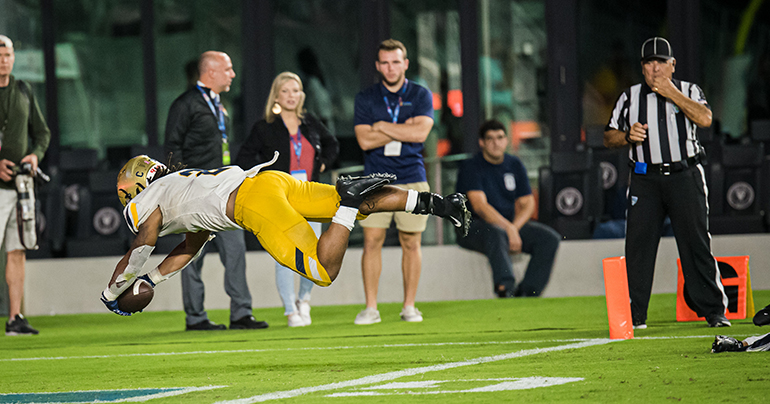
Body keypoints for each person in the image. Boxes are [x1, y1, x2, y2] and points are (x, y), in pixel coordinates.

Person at [100, 155, 470, 318]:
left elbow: (144, 241)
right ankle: (439, 203)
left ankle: (350, 202)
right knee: (346, 200)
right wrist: (153, 279)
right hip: (268, 180)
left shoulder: (145, 201)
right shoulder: (183, 186)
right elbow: (190, 245)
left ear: (134, 188)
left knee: (323, 270)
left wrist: (113, 292)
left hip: (252, 204)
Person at [604, 37, 729, 329]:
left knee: (696, 243)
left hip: (684, 175)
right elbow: (608, 136)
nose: (655, 68)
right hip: (645, 179)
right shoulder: (629, 97)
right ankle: (635, 315)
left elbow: (706, 118)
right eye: (649, 63)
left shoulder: (689, 90)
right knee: (638, 246)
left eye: (661, 62)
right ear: (642, 68)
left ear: (673, 65)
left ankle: (713, 311)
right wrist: (627, 136)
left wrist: (673, 95)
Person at [164, 51, 263, 331]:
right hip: (196, 191)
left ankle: (242, 313)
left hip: (224, 188)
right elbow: (172, 147)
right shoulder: (185, 104)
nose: (232, 74)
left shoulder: (219, 103)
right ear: (210, 72)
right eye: (228, 69)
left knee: (235, 249)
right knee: (192, 254)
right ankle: (195, 317)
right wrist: (184, 182)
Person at [235, 72, 339, 327]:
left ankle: (304, 300)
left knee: (314, 253)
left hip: (310, 195)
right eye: (286, 91)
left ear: (301, 95)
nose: (291, 96)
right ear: (277, 95)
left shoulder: (310, 122)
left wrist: (323, 163)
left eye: (296, 91)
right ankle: (290, 310)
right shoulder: (264, 127)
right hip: (281, 199)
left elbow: (332, 144)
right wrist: (265, 176)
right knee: (285, 255)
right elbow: (244, 158)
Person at [352, 39, 436, 325]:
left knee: (411, 242)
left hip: (413, 177)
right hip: (374, 181)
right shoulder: (365, 97)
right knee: (371, 240)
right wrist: (405, 128)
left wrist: (383, 127)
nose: (391, 67)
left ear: (406, 63)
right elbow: (364, 140)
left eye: (396, 61)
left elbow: (421, 135)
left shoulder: (421, 95)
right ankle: (371, 308)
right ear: (378, 66)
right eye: (385, 62)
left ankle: (409, 306)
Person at [455, 120, 560, 297]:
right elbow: (480, 207)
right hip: (474, 228)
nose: (496, 143)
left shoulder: (514, 165)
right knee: (496, 233)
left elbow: (528, 203)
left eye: (500, 137)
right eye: (490, 139)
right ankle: (505, 288)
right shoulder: (471, 167)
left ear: (506, 140)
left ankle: (528, 292)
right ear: (482, 142)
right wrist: (509, 228)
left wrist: (514, 228)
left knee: (549, 239)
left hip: (509, 225)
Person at [0, 35, 50, 336]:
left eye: (7, 54)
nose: (3, 59)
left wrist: (35, 155)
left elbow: (42, 133)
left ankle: (15, 318)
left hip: (20, 185)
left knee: (17, 251)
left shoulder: (23, 89)